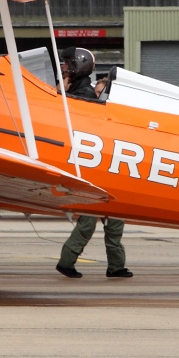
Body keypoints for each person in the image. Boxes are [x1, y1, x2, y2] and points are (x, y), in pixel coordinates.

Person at [54, 47, 132, 279]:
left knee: (99, 222)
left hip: (101, 171)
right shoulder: (76, 90)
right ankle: (109, 266)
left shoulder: (83, 95)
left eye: (67, 63)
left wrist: (62, 93)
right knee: (104, 223)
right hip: (102, 170)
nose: (64, 66)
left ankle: (113, 266)